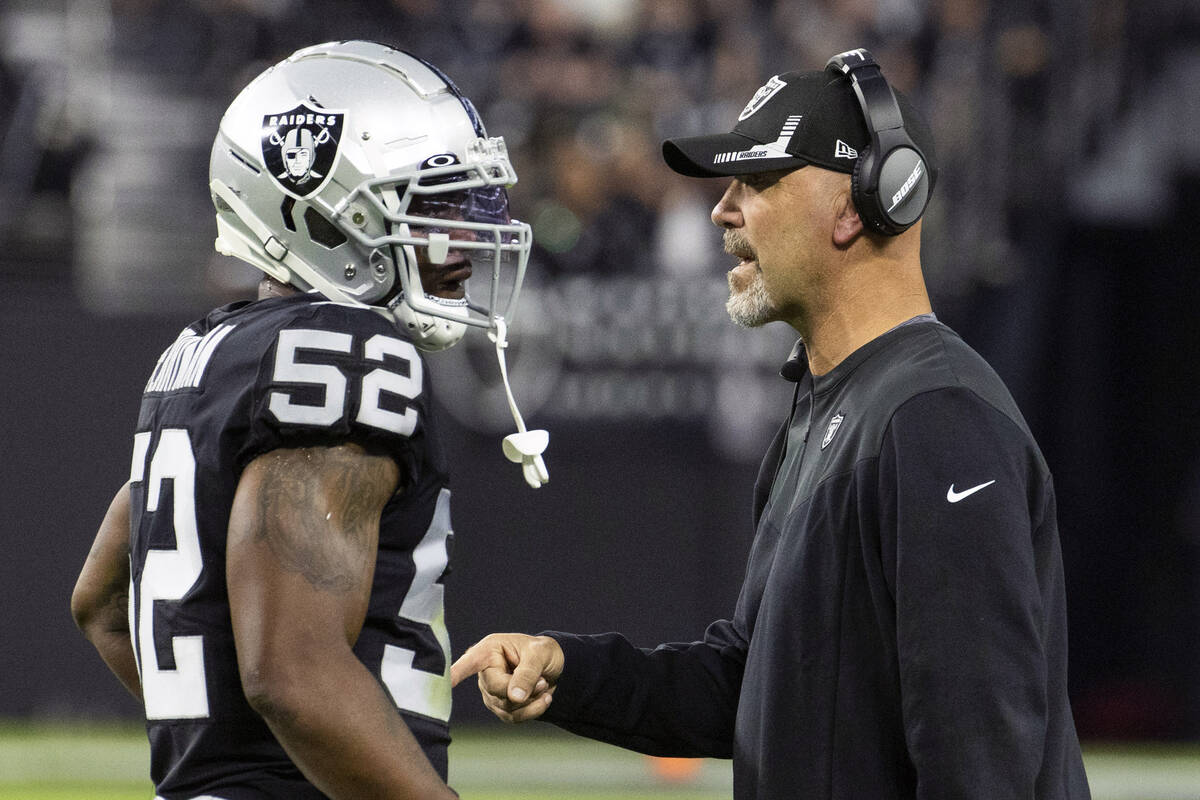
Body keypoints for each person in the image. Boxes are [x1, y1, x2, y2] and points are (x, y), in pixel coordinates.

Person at [452, 49, 1092, 799]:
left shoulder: (934, 417)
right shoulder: (835, 404)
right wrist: (573, 671)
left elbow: (980, 759)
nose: (723, 209)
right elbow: (757, 687)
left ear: (862, 204)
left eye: (756, 181)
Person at [70, 40, 547, 799]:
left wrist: (224, 747)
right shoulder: (342, 352)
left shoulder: (204, 353)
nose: (462, 240)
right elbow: (293, 672)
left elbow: (100, 600)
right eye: (430, 206)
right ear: (323, 217)